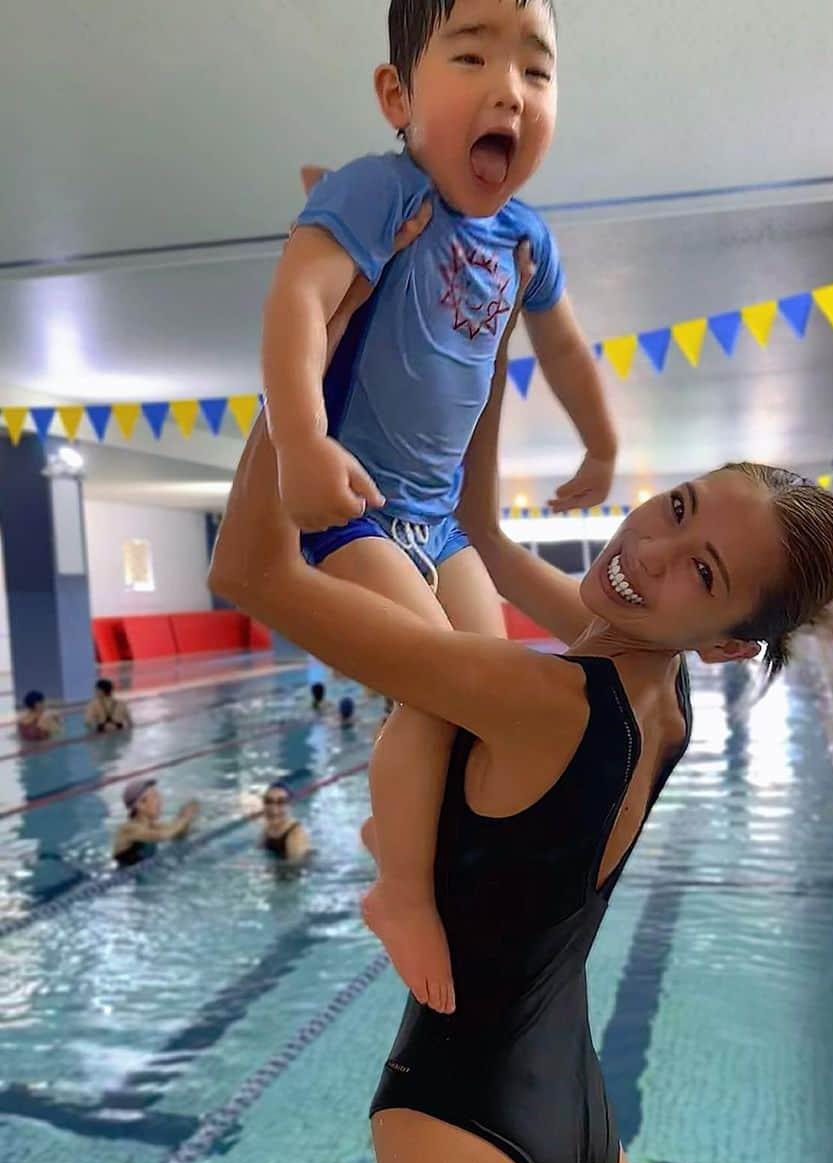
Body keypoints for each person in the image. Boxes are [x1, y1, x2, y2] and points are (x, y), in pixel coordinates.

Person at [209, 263, 833, 1163]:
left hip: (473, 1137)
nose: (646, 549)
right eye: (677, 505)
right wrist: (490, 345)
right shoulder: (667, 695)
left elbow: (249, 570)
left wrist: (308, 356)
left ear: (735, 638)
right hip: (583, 1149)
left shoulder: (543, 697)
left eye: (700, 568)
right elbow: (487, 538)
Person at [264, 0, 618, 1016]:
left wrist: (602, 443)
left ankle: (403, 826)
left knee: (496, 681)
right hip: (355, 500)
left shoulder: (522, 238)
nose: (511, 86)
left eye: (538, 70)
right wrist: (301, 443)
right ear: (398, 97)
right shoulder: (376, 191)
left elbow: (564, 348)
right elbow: (295, 301)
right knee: (438, 684)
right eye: (472, 55)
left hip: (440, 520)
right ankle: (401, 891)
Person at [112, 779, 200, 868]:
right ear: (140, 804)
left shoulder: (151, 827)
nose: (160, 801)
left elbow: (178, 836)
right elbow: (163, 835)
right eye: (155, 797)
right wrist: (184, 818)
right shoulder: (129, 828)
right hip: (120, 880)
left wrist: (185, 818)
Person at [260, 781, 312, 862]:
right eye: (268, 801)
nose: (274, 809)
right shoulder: (268, 828)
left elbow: (296, 870)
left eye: (281, 802)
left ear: (290, 805)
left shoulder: (295, 834)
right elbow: (259, 850)